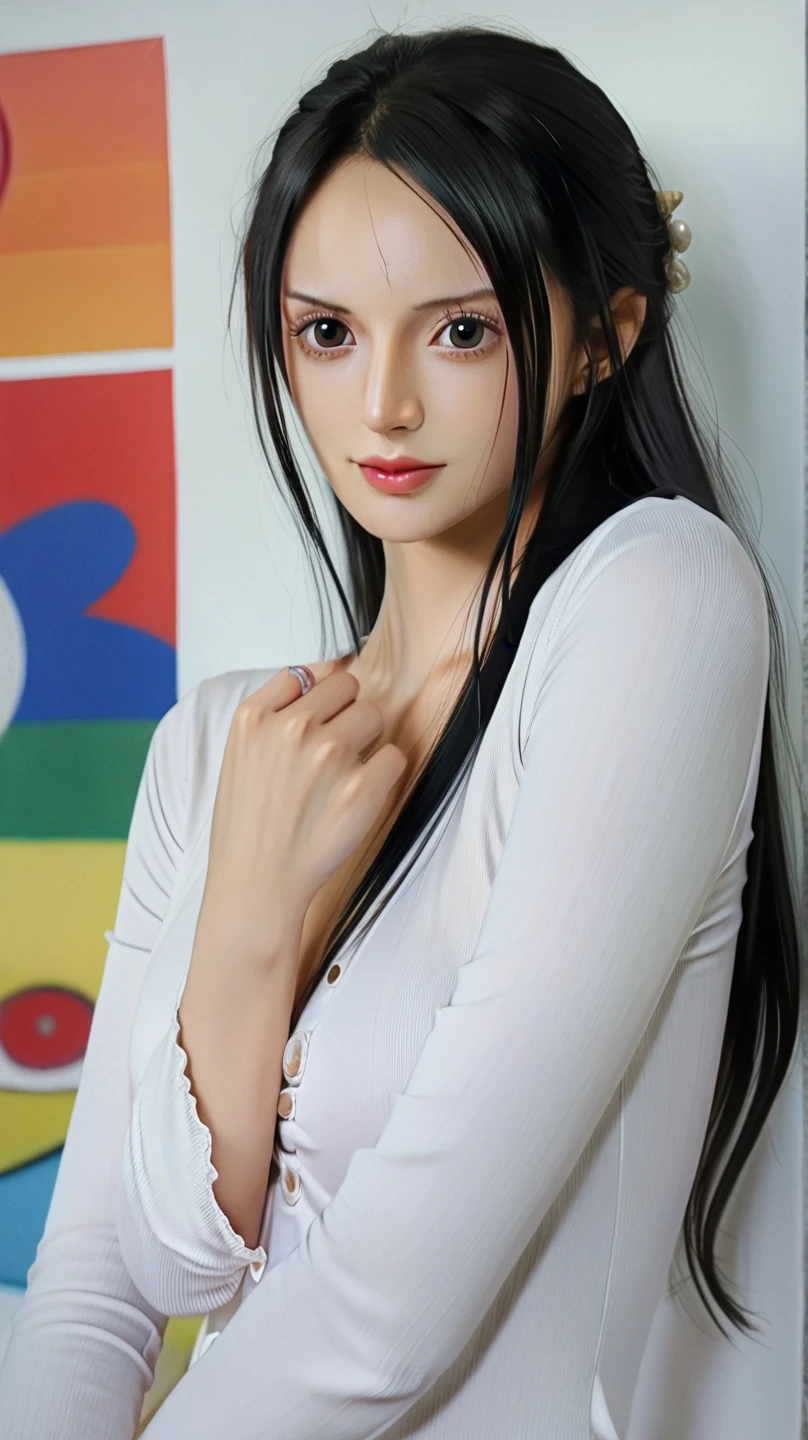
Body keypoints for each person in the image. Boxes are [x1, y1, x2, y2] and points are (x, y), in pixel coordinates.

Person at [0, 22, 802, 1440]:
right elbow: (113, 1285)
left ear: (603, 337)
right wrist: (249, 924)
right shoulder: (216, 751)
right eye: (326, 332)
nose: (381, 403)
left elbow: (393, 1311)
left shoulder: (656, 604)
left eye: (464, 329)